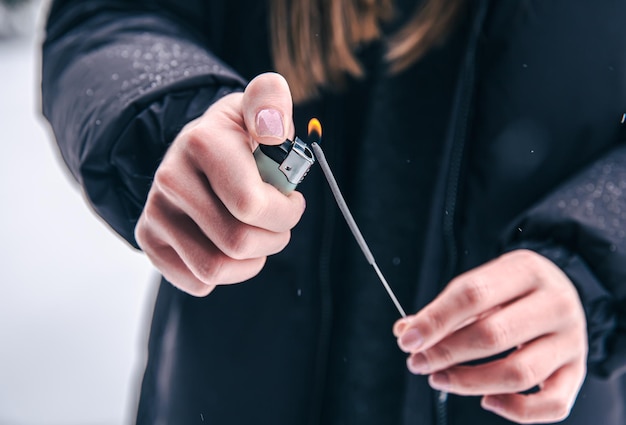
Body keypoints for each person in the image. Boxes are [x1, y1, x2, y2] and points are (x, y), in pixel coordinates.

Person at [41, 0, 626, 424]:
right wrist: (169, 119)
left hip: (528, 390)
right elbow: (106, 16)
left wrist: (594, 260)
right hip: (235, 384)